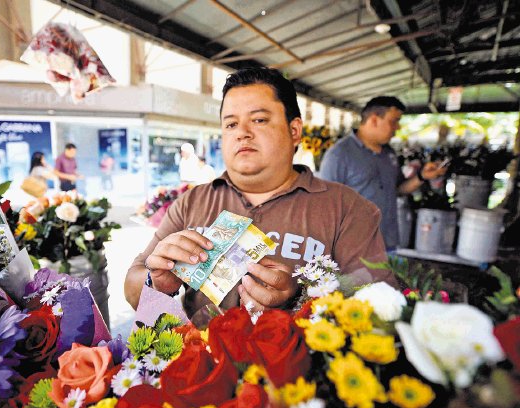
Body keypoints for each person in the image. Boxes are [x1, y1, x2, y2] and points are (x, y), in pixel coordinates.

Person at [124, 67, 393, 318]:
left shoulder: (348, 209)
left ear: (294, 130)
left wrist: (299, 300)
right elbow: (133, 289)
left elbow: (379, 307)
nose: (242, 132)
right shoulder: (191, 202)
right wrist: (155, 280)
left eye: (259, 119)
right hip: (201, 363)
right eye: (230, 124)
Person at [319, 97, 448, 250]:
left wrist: (422, 176)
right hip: (354, 247)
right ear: (374, 120)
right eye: (394, 121)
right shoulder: (339, 155)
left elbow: (398, 189)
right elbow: (325, 207)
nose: (397, 127)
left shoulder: (389, 154)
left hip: (387, 241)